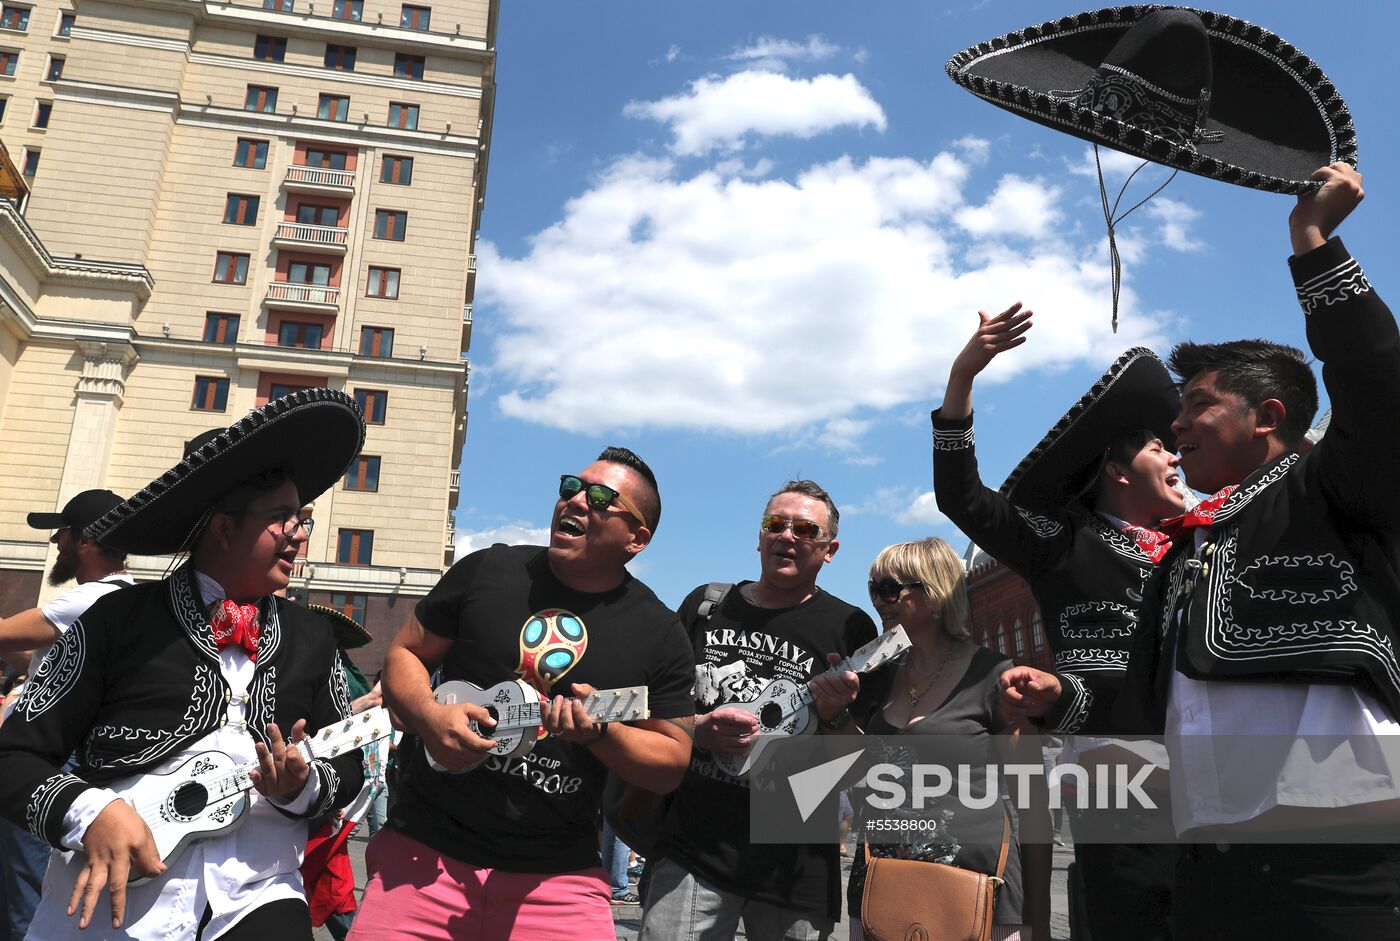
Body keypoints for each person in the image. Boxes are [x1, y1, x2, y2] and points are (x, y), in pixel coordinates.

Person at [1024, 164, 1400, 939]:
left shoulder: (1330, 485)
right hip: (1206, 859)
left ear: (1266, 415)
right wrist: (1060, 700)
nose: (1179, 425)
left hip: (1343, 844)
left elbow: (1378, 384)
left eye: (1198, 402)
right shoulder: (1182, 553)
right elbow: (1148, 702)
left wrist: (1313, 243)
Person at [0, 388, 368, 940]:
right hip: (114, 909)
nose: (298, 535)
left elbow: (349, 766)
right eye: (282, 518)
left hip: (261, 898)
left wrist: (302, 785)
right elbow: (14, 756)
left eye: (302, 518)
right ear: (223, 529)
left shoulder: (314, 635)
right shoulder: (116, 619)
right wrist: (88, 812)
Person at [351, 446, 695, 941]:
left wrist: (602, 736)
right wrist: (429, 716)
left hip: (559, 880)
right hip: (423, 860)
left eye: (600, 498)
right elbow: (406, 652)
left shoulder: (659, 633)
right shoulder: (487, 570)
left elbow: (671, 762)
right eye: (571, 488)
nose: (576, 501)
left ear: (637, 538)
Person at [934, 311, 1183, 940]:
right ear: (1118, 471)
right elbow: (962, 500)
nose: (1176, 460)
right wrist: (962, 380)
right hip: (1117, 785)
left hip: (1213, 780)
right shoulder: (1064, 543)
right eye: (1160, 449)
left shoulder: (1201, 550)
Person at [640, 479, 877, 941]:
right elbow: (652, 708)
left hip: (794, 861)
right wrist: (699, 729)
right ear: (759, 536)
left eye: (806, 530)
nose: (787, 536)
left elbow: (859, 765)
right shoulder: (707, 605)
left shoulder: (850, 627)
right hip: (695, 844)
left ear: (830, 550)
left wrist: (834, 715)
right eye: (775, 524)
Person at [847, 537, 1049, 941]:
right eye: (873, 588)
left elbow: (1033, 801)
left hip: (978, 889)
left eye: (890, 588)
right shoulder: (878, 676)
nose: (879, 601)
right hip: (882, 884)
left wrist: (1039, 916)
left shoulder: (993, 675)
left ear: (936, 594)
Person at [0, 489, 132, 941]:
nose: (56, 540)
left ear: (87, 540)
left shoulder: (90, 599)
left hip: (48, 761)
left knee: (25, 892)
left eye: (63, 532)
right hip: (78, 763)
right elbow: (37, 662)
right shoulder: (130, 598)